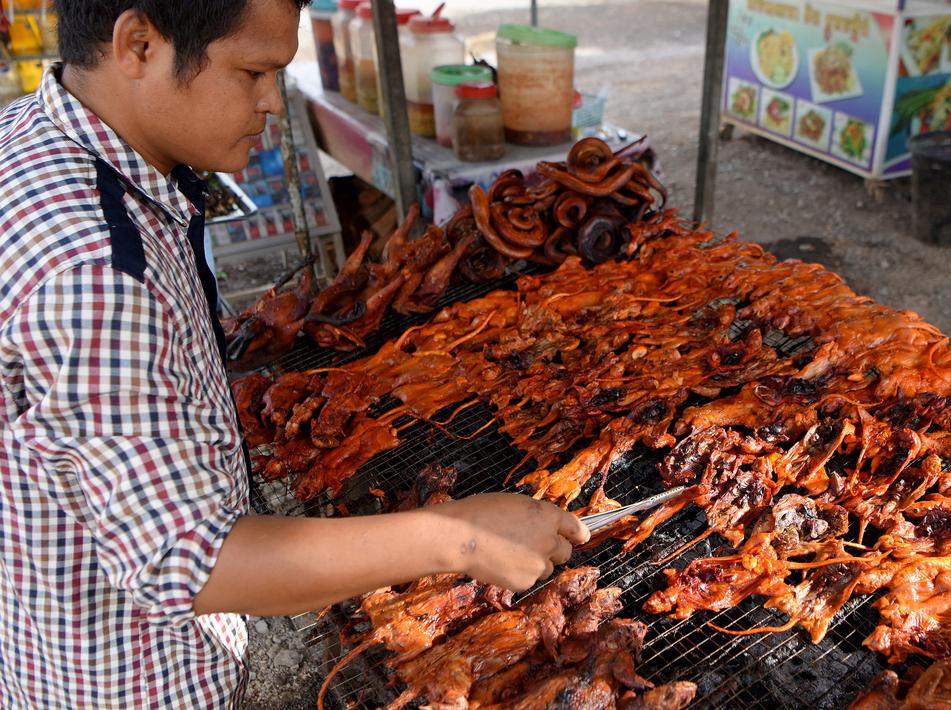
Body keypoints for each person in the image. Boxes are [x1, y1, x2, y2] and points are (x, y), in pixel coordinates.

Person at [0, 2, 588, 707]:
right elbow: (187, 562)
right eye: (252, 71)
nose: (271, 103)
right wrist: (457, 538)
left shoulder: (36, 139)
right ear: (139, 43)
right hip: (124, 679)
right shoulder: (97, 271)